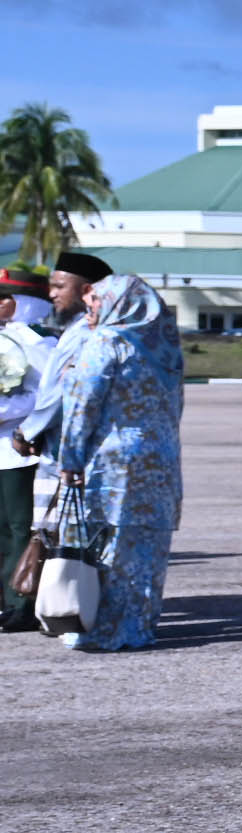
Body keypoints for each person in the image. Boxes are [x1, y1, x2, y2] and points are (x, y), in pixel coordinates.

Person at [38, 259, 180, 652]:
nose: (91, 306)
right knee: (146, 548)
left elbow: (81, 405)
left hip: (113, 463)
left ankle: (103, 629)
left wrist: (69, 460)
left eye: (98, 300)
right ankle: (138, 626)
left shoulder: (106, 341)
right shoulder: (165, 347)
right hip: (161, 462)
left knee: (109, 544)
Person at [0, 266, 50, 632]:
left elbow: (45, 396)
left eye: (4, 299)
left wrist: (4, 409)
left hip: (18, 449)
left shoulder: (40, 342)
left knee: (20, 527)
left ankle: (22, 601)